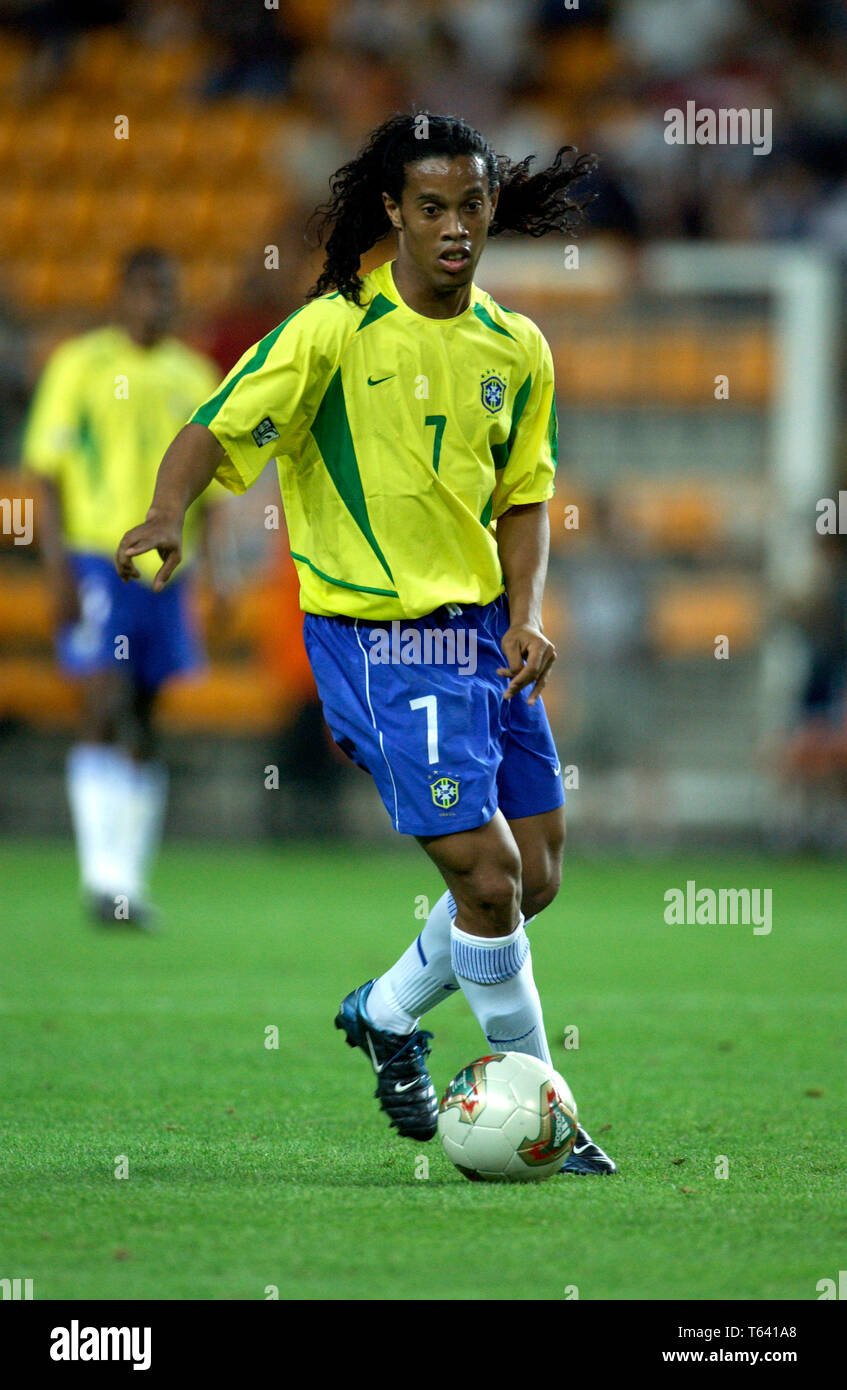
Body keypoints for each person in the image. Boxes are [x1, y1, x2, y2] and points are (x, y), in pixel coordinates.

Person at [116, 113, 615, 1174]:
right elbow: (214, 423)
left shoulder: (517, 347)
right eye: (429, 207)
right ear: (390, 210)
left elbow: (526, 497)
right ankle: (548, 1113)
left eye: (470, 206)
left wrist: (525, 614)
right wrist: (168, 511)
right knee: (486, 876)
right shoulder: (333, 329)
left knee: (538, 875)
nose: (453, 228)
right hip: (380, 641)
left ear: (489, 210)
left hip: (484, 635)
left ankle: (386, 1011)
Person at [24, 247, 221, 927]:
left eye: (165, 291)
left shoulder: (193, 374)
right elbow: (45, 475)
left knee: (146, 714)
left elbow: (215, 487)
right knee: (103, 701)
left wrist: (216, 574)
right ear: (119, 295)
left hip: (170, 572)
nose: (155, 303)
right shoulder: (79, 366)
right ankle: (101, 878)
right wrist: (56, 572)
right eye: (143, 290)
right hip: (96, 560)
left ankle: (127, 883)